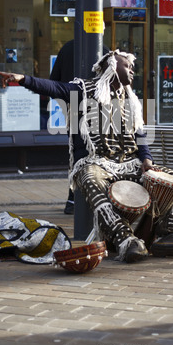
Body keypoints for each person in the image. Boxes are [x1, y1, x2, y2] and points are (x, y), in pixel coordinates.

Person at [0, 50, 173, 263]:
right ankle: (126, 241)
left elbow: (139, 133)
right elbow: (55, 87)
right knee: (90, 179)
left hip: (130, 162)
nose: (132, 70)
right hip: (95, 161)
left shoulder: (130, 98)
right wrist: (23, 79)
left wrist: (147, 159)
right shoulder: (83, 89)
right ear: (112, 66)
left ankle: (168, 235)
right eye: (127, 66)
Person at [50, 39, 110, 214]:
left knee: (76, 154)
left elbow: (54, 82)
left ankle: (73, 199)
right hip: (98, 109)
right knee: (97, 154)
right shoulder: (103, 49)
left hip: (74, 108)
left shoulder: (67, 48)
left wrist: (66, 104)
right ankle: (93, 197)